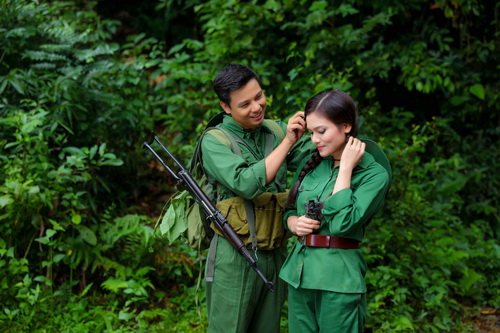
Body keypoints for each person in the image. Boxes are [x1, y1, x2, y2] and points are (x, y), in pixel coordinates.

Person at [200, 63, 316, 333]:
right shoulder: (215, 141)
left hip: (275, 252)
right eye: (245, 104)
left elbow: (315, 157)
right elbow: (245, 184)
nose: (256, 107)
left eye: (259, 96)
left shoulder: (275, 131)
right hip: (235, 255)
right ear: (226, 107)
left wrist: (322, 127)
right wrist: (287, 142)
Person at [279, 89, 391, 332]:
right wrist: (294, 224)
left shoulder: (374, 174)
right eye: (311, 132)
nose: (315, 139)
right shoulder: (311, 163)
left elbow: (342, 224)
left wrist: (346, 169)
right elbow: (288, 211)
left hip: (338, 279)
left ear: (346, 126)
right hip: (300, 275)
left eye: (322, 131)